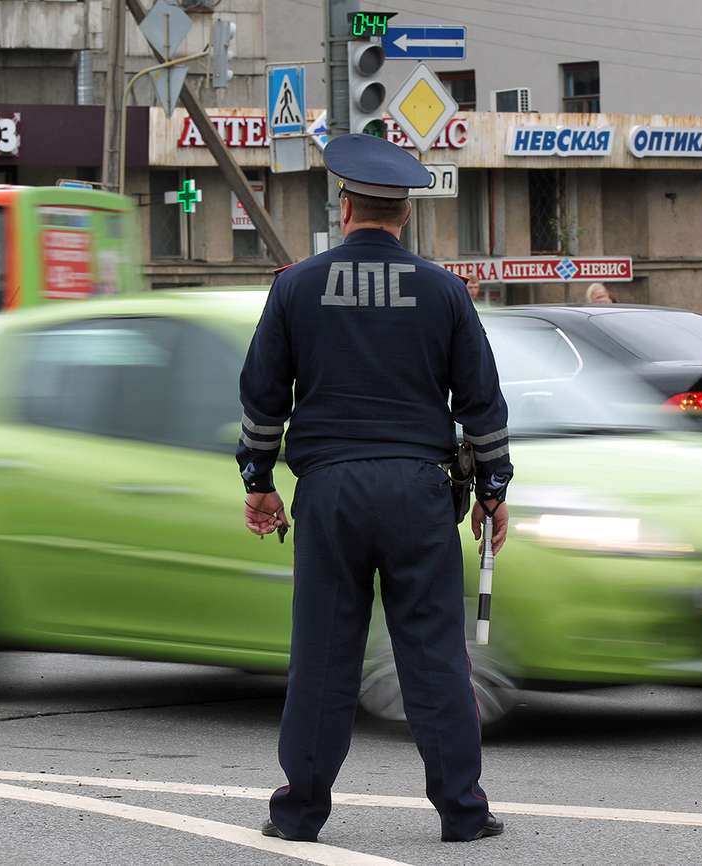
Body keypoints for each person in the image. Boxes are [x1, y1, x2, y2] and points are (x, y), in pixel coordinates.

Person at [236, 133, 513, 845]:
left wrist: (258, 480)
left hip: (329, 492)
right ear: (405, 214)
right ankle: (463, 812)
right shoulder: (444, 291)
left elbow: (263, 398)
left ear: (345, 206)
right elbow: (481, 401)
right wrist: (493, 489)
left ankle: (299, 813)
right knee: (434, 655)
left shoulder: (295, 287)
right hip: (419, 493)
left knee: (323, 656)